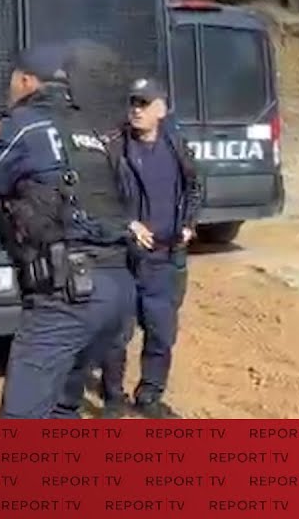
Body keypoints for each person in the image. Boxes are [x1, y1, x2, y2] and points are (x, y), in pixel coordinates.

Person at [0, 43, 136, 419]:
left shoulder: (27, 126)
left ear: (27, 81)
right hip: (116, 290)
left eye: (12, 82)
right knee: (62, 409)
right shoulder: (92, 130)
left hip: (67, 297)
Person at [97, 77, 202, 419]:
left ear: (162, 109)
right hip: (124, 258)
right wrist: (128, 223)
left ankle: (150, 395)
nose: (136, 110)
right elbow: (97, 196)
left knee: (161, 331)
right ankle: (113, 398)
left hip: (166, 258)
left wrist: (189, 224)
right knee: (116, 333)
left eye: (144, 104)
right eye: (133, 103)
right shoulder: (113, 147)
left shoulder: (176, 144)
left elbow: (195, 185)